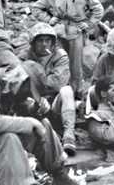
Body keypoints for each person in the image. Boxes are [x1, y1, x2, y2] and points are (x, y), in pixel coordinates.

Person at [33, 0, 104, 94]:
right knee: (57, 61)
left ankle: (76, 92)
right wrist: (49, 19)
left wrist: (88, 24)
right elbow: (36, 8)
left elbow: (98, 8)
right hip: (58, 33)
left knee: (76, 66)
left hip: (76, 33)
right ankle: (58, 91)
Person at [19, 22, 77, 156]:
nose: (44, 44)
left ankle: (69, 136)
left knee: (67, 90)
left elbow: (58, 82)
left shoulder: (60, 55)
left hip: (54, 103)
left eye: (47, 40)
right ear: (33, 43)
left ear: (52, 42)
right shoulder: (24, 56)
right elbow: (19, 81)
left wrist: (35, 77)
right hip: (33, 101)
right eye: (40, 41)